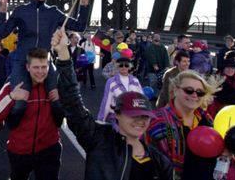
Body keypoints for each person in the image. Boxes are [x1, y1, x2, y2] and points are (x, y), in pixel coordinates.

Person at [52, 26, 173, 180]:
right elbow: (73, 104)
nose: (140, 120)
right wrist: (63, 54)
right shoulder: (99, 141)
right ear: (117, 114)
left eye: (144, 115)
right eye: (133, 114)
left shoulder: (160, 162)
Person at [0, 0, 90, 128]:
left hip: (45, 62)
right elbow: (1, 33)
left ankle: (51, 131)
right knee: (19, 105)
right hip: (22, 62)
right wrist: (1, 13)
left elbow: (79, 26)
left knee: (58, 104)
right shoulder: (20, 11)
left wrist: (83, 5)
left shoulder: (53, 12)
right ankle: (15, 129)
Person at [0, 47, 64, 180]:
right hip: (19, 151)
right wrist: (11, 97)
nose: (40, 72)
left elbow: (71, 112)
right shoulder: (12, 85)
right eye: (36, 67)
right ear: (27, 67)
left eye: (44, 67)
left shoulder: (55, 87)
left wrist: (61, 99)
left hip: (49, 149)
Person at [146, 70, 220, 180]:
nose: (194, 95)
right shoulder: (156, 121)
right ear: (175, 90)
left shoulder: (207, 119)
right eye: (188, 90)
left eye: (200, 92)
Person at [97, 56, 143, 125]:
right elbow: (106, 100)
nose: (124, 67)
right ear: (117, 67)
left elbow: (141, 98)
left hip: (133, 116)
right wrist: (101, 119)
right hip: (117, 117)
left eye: (126, 65)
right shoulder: (111, 82)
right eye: (121, 65)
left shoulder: (135, 81)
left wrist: (143, 114)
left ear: (129, 67)